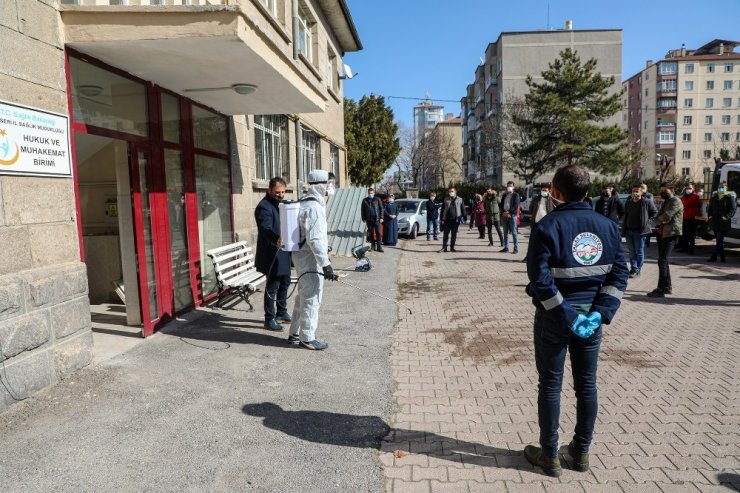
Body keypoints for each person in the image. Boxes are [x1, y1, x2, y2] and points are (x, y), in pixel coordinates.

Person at [524, 164, 628, 477]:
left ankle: (550, 455)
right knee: (586, 386)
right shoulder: (608, 227)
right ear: (587, 191)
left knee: (551, 386)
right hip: (591, 322)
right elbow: (620, 274)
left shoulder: (546, 226)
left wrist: (567, 315)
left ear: (555, 192)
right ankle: (581, 452)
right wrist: (598, 313)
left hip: (555, 319)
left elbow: (540, 279)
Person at [288, 169, 338, 350]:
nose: (330, 188)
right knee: (311, 297)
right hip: (310, 259)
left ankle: (294, 333)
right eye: (329, 184)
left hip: (302, 257)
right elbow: (315, 239)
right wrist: (326, 265)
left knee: (302, 296)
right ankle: (307, 337)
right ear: (320, 186)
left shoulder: (304, 202)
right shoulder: (314, 207)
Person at [255, 177, 292, 332]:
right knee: (272, 287)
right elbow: (265, 229)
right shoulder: (264, 207)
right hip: (271, 253)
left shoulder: (282, 205)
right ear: (269, 190)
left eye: (283, 192)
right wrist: (275, 239)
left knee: (285, 283)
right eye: (277, 192)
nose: (281, 195)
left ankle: (281, 313)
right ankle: (269, 319)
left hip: (284, 251)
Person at [647, 183, 683, 298]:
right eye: (661, 190)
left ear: (672, 190)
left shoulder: (675, 201)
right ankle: (667, 287)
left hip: (671, 233)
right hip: (662, 233)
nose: (663, 192)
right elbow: (660, 216)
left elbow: (667, 216)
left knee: (662, 261)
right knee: (664, 261)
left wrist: (659, 220)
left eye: (665, 190)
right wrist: (659, 221)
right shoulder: (666, 201)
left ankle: (660, 289)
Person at [622, 184, 657, 278]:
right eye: (633, 191)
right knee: (631, 251)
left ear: (641, 192)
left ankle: (637, 270)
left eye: (637, 191)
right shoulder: (628, 202)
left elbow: (654, 213)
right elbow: (626, 215)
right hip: (629, 231)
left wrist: (648, 223)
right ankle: (633, 268)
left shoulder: (646, 202)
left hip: (640, 232)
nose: (635, 193)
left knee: (639, 251)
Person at [524, 183, 556, 262]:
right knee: (533, 241)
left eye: (545, 190)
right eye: (542, 190)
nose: (544, 191)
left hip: (547, 224)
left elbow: (555, 209)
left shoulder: (551, 199)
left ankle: (547, 258)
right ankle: (529, 257)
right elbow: (531, 208)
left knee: (547, 242)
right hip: (536, 223)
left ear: (549, 191)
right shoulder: (536, 199)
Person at [707, 181, 738, 263]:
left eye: (722, 187)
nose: (721, 189)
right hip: (715, 222)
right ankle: (722, 258)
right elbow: (710, 208)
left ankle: (713, 257)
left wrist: (726, 217)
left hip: (724, 222)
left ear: (726, 188)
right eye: (719, 187)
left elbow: (733, 209)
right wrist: (709, 215)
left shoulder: (729, 197)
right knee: (718, 240)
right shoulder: (715, 197)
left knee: (719, 239)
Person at [440, 187, 467, 252]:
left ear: (455, 192)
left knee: (453, 235)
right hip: (447, 220)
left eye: (452, 191)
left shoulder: (460, 199)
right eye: (449, 191)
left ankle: (452, 247)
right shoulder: (446, 199)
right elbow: (442, 209)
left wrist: (465, 217)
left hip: (455, 220)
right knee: (445, 234)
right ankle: (444, 247)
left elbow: (463, 209)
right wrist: (441, 219)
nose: (451, 193)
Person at [677, 183, 701, 255]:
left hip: (691, 218)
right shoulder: (685, 196)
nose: (688, 190)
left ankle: (691, 250)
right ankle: (684, 248)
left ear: (693, 189)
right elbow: (682, 204)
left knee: (691, 235)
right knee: (685, 235)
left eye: (690, 188)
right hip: (684, 217)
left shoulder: (695, 196)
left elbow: (686, 204)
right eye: (687, 188)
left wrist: (684, 202)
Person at [361, 187, 384, 252]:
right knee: (370, 233)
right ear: (368, 193)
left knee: (378, 233)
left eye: (371, 193)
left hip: (377, 219)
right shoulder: (365, 200)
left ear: (374, 193)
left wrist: (381, 217)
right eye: (369, 193)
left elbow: (381, 208)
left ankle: (379, 247)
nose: (370, 194)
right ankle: (372, 246)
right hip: (369, 219)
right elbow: (362, 210)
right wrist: (363, 218)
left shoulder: (377, 199)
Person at [499, 181, 520, 253]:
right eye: (508, 186)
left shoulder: (516, 195)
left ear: (513, 187)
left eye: (510, 186)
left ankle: (516, 249)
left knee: (514, 232)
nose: (509, 187)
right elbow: (501, 204)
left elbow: (516, 205)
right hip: (505, 216)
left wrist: (509, 212)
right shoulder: (504, 195)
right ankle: (506, 247)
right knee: (505, 233)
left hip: (512, 216)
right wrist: (503, 212)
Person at [640, 183, 655, 248]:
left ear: (646, 189)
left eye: (643, 187)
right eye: (641, 187)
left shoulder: (649, 195)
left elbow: (649, 204)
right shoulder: (637, 194)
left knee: (647, 229)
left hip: (647, 215)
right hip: (640, 215)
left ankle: (646, 242)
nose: (641, 189)